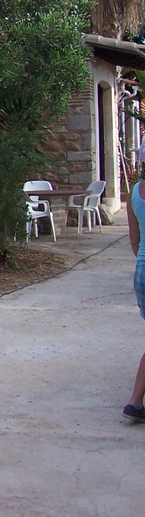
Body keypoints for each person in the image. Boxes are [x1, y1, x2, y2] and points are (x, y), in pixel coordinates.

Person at [124, 173, 145, 422]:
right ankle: (134, 401)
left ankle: (135, 403)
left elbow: (135, 241)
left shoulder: (135, 192)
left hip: (142, 272)